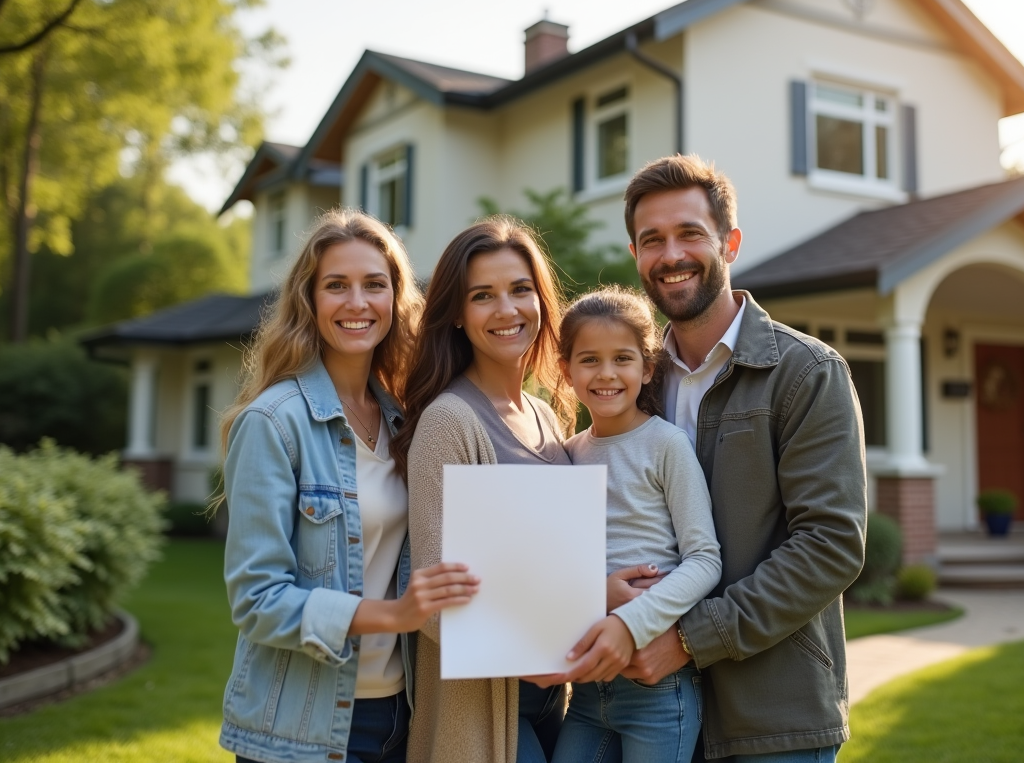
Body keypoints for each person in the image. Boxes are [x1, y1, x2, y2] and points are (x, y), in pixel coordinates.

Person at [616, 155, 868, 762]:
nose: (671, 255)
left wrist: (687, 639)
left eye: (689, 234)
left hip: (773, 718)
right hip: (653, 708)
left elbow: (830, 544)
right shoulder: (632, 383)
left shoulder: (806, 372)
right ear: (635, 256)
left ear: (729, 242)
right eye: (653, 240)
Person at [216, 209, 480, 763]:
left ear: (394, 299)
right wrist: (394, 615)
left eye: (374, 285)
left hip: (399, 712)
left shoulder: (405, 422)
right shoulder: (273, 422)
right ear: (309, 301)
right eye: (337, 285)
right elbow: (257, 599)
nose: (357, 303)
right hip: (303, 726)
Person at [393, 216, 577, 763]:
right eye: (483, 296)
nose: (507, 310)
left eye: (521, 290)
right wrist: (530, 656)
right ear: (456, 313)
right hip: (485, 702)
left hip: (558, 697)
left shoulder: (546, 417)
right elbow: (430, 601)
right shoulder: (451, 421)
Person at [545, 286, 722, 763]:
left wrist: (630, 622)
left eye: (622, 359)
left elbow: (705, 559)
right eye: (589, 360)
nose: (606, 374)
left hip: (658, 689)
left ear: (647, 368)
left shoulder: (667, 445)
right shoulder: (566, 455)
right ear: (566, 371)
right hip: (585, 692)